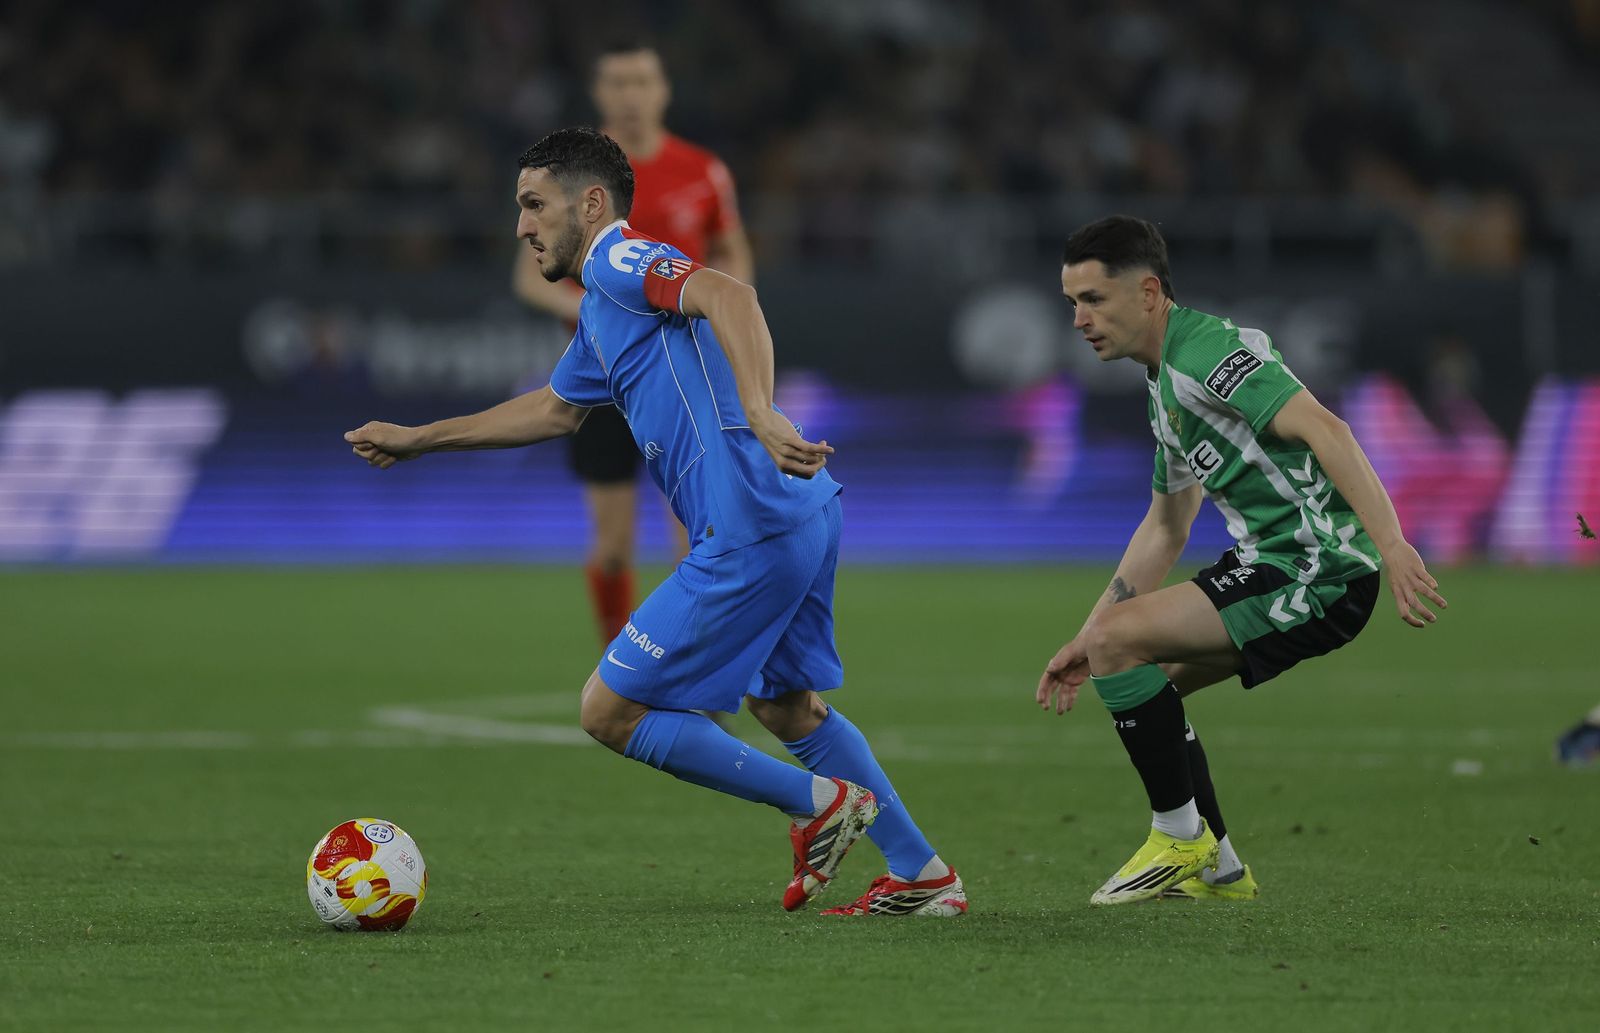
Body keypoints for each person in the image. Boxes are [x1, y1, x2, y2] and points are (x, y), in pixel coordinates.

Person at [348, 128, 964, 918]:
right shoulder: (601, 312)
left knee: (608, 710)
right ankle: (924, 873)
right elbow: (554, 408)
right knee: (786, 707)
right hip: (803, 512)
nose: (522, 226)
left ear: (591, 203)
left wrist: (756, 409)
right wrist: (420, 438)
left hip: (749, 522)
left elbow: (729, 293)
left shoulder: (616, 257)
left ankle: (818, 801)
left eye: (534, 205)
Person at [1036, 215, 1447, 905]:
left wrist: (1393, 542)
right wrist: (1087, 635)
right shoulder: (1163, 381)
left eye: (1093, 300)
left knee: (1121, 643)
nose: (1079, 319)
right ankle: (1219, 867)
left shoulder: (1208, 354)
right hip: (1276, 560)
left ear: (1148, 292)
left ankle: (1178, 836)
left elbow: (1327, 428)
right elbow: (1168, 523)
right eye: (1071, 302)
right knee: (1146, 674)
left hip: (1317, 568)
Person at [513, 40, 754, 645]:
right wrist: (605, 310)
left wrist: (727, 307)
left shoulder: (702, 171)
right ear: (599, 94)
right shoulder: (570, 174)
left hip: (682, 376)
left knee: (696, 542)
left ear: (663, 90)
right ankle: (616, 668)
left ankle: (693, 678)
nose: (630, 95)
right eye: (618, 83)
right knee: (614, 546)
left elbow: (731, 255)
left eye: (642, 81)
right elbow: (528, 278)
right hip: (603, 379)